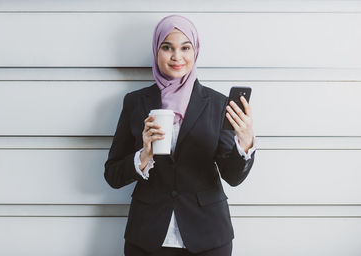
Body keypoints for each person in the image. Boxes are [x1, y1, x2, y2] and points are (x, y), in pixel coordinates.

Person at [104, 15, 256, 256]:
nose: (177, 56)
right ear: (156, 50)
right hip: (147, 236)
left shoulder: (217, 104)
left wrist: (245, 143)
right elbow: (112, 175)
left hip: (208, 237)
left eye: (185, 47)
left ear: (195, 52)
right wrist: (143, 156)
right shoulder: (135, 102)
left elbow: (232, 177)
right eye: (167, 47)